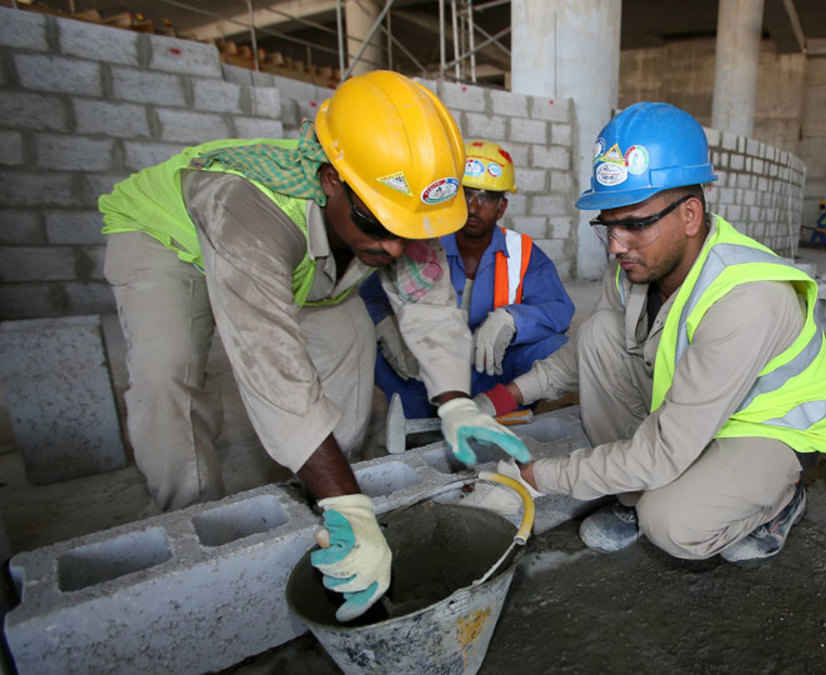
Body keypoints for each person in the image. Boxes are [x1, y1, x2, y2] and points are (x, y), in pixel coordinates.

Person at [98, 71, 528, 621]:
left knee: (348, 346)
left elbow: (428, 303)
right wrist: (350, 499)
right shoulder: (248, 204)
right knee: (168, 375)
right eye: (379, 222)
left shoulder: (389, 208)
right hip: (169, 241)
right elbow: (268, 360)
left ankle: (320, 497)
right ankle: (195, 527)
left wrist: (454, 399)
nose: (396, 244)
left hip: (307, 260)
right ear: (330, 180)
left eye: (409, 228)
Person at [471, 102, 826, 562]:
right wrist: (502, 397)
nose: (615, 244)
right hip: (700, 411)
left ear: (690, 216)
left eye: (633, 224)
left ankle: (778, 503)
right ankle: (631, 495)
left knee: (670, 522)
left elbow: (665, 449)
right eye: (607, 225)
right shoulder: (635, 265)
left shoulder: (746, 298)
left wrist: (531, 478)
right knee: (600, 335)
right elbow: (581, 356)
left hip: (766, 427)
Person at [359, 140, 574, 420]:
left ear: (501, 207)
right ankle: (417, 423)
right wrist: (385, 324)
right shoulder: (423, 244)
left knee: (554, 346)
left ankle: (506, 409)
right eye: (466, 194)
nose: (473, 207)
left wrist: (514, 319)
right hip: (425, 370)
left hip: (492, 368)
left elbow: (559, 308)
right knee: (364, 337)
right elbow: (371, 294)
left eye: (486, 197)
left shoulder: (523, 252)